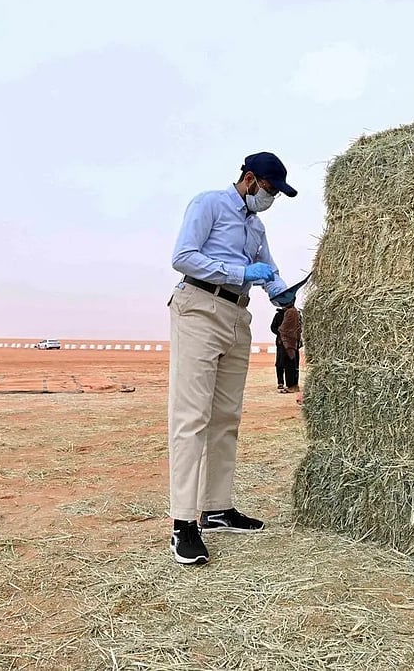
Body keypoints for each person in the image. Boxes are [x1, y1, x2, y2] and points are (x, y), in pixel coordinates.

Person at [167, 151, 297, 566]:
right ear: (250, 178)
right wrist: (239, 273)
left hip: (237, 315)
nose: (271, 197)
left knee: (226, 416)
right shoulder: (208, 203)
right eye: (270, 189)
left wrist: (280, 291)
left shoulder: (256, 228)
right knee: (192, 417)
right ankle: (183, 523)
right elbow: (183, 256)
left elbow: (268, 270)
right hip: (200, 308)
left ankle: (217, 508)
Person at [270, 300, 302, 393]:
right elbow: (274, 327)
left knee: (291, 363)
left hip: (290, 342)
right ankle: (282, 382)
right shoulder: (281, 314)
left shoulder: (292, 313)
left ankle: (292, 385)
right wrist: (280, 334)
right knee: (281, 363)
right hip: (283, 342)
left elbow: (290, 328)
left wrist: (282, 332)